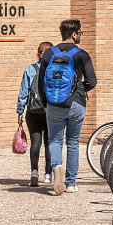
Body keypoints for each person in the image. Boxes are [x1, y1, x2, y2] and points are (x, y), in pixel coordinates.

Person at [37, 19, 97, 195]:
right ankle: (70, 183)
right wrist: (79, 91)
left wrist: (45, 103)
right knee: (72, 142)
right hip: (76, 103)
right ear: (74, 34)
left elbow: (41, 82)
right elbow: (92, 81)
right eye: (80, 33)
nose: (80, 36)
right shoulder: (82, 55)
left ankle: (56, 166)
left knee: (54, 140)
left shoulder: (48, 54)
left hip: (53, 103)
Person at [15, 41, 54, 187]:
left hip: (33, 111)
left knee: (35, 142)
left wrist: (20, 111)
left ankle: (34, 172)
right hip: (50, 111)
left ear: (38, 53)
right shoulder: (54, 69)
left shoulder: (30, 69)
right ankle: (48, 175)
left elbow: (23, 92)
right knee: (49, 143)